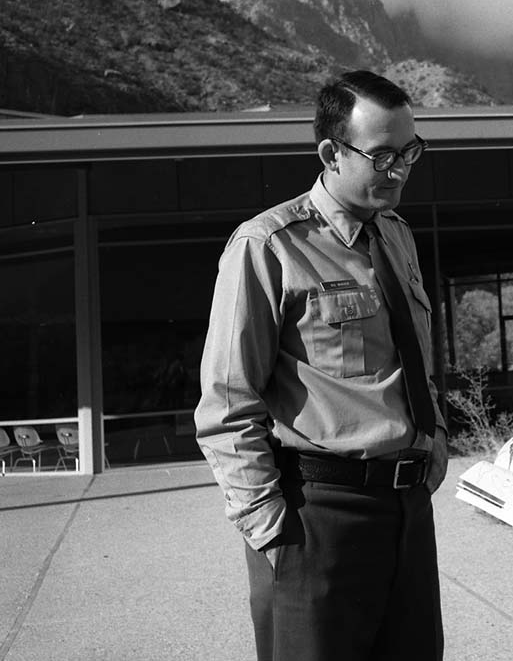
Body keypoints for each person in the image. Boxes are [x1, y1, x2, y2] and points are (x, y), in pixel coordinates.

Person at [195, 71, 447, 661]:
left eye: (410, 151)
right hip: (317, 515)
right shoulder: (267, 245)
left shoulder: (397, 236)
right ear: (331, 153)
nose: (401, 168)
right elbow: (227, 401)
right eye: (383, 154)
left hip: (407, 510)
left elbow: (413, 356)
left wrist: (432, 437)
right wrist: (271, 531)